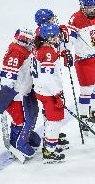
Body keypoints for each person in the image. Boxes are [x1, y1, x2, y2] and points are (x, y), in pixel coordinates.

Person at [0, 29, 41, 160]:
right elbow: (9, 77)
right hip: (17, 93)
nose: (32, 44)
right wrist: (6, 96)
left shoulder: (24, 50)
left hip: (25, 90)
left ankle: (26, 136)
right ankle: (18, 143)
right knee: (21, 119)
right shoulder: (17, 52)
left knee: (32, 114)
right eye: (30, 41)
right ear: (24, 41)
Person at [31, 23, 67, 163]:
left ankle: (49, 143)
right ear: (49, 38)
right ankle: (49, 152)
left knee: (49, 118)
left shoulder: (39, 48)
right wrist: (57, 94)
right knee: (55, 121)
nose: (58, 37)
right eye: (56, 35)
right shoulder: (48, 52)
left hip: (40, 90)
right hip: (49, 93)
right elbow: (47, 78)